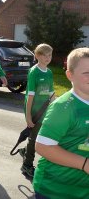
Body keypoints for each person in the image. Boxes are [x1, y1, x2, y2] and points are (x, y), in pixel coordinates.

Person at [33, 48, 89, 199]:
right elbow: (42, 146)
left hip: (82, 191)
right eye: (86, 73)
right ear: (70, 75)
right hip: (54, 190)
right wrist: (84, 164)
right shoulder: (63, 107)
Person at [18, 43, 55, 178]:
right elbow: (30, 95)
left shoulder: (49, 72)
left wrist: (54, 111)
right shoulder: (34, 71)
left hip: (45, 111)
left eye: (49, 54)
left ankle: (25, 152)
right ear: (37, 56)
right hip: (34, 111)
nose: (47, 57)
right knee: (33, 139)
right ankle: (27, 166)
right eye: (44, 55)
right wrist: (28, 116)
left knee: (41, 137)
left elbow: (51, 94)